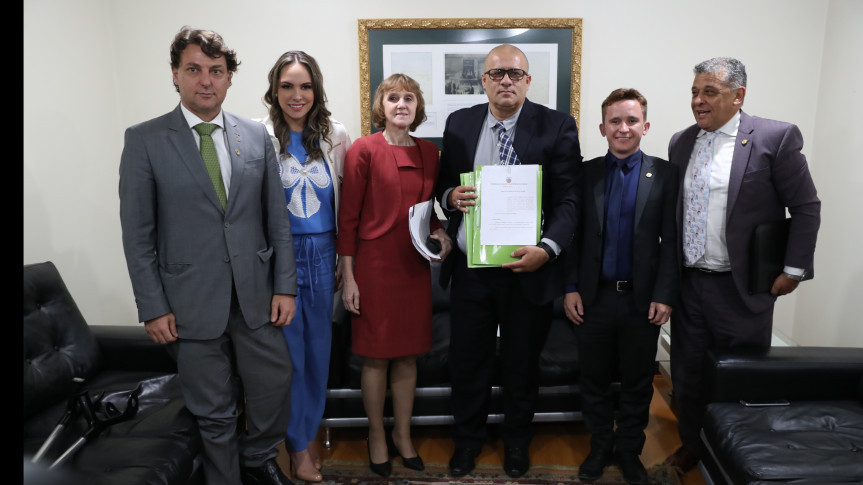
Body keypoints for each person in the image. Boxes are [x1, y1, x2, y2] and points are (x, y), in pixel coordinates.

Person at [119, 26, 296, 485]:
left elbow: (277, 220)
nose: (206, 80)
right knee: (212, 409)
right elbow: (138, 235)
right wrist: (152, 307)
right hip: (188, 301)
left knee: (276, 386)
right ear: (175, 75)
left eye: (216, 71)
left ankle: (257, 458)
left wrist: (284, 287)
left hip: (256, 295)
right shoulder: (144, 140)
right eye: (194, 69)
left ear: (230, 77)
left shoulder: (256, 136)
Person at [665, 57, 821, 475]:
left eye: (709, 92)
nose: (698, 101)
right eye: (695, 92)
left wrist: (793, 269)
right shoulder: (681, 142)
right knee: (688, 374)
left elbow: (806, 207)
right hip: (690, 285)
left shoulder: (775, 137)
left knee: (740, 376)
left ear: (739, 96)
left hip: (744, 288)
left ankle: (738, 455)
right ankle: (692, 446)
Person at [436, 44, 581, 478]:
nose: (505, 81)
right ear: (483, 80)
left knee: (521, 363)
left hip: (529, 269)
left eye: (515, 74)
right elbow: (443, 186)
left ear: (528, 80)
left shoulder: (556, 126)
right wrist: (449, 197)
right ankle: (467, 442)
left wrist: (549, 248)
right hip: (471, 271)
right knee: (468, 362)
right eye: (497, 73)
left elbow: (570, 200)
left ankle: (517, 442)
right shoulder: (459, 124)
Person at [336, 73, 453, 478]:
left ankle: (403, 436)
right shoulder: (363, 150)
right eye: (392, 98)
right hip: (373, 266)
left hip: (412, 266)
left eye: (408, 98)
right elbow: (347, 218)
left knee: (408, 357)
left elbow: (426, 209)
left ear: (417, 106)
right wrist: (348, 277)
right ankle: (377, 436)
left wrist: (439, 230)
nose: (401, 105)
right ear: (380, 107)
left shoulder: (429, 152)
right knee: (376, 359)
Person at [562, 88, 678, 484]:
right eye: (615, 121)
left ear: (645, 126)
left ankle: (629, 450)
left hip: (642, 302)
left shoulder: (665, 174)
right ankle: (598, 447)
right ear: (602, 127)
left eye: (631, 120)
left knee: (638, 381)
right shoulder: (585, 173)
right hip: (592, 299)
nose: (623, 128)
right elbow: (572, 238)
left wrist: (665, 293)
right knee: (592, 378)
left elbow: (671, 241)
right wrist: (571, 286)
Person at [260, 51, 351, 483]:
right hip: (280, 260)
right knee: (289, 359)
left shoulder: (337, 135)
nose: (297, 95)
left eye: (305, 86)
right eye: (287, 86)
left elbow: (347, 205)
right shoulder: (257, 137)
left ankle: (309, 433)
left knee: (318, 354)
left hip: (324, 256)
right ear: (274, 91)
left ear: (316, 90)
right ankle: (297, 447)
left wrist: (344, 263)